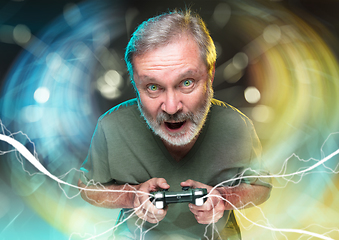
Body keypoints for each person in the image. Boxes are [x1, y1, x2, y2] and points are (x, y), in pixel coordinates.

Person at [78, 9, 271, 240]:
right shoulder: (111, 126)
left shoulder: (237, 125)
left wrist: (223, 198)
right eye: (152, 87)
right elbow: (87, 188)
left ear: (209, 76)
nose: (171, 107)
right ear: (135, 84)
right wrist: (131, 196)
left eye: (186, 82)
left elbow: (262, 187)